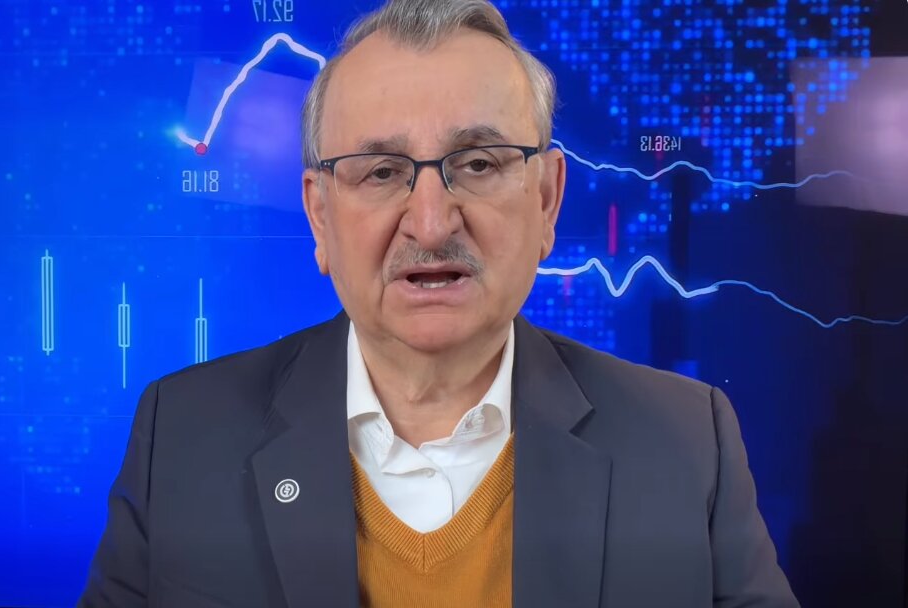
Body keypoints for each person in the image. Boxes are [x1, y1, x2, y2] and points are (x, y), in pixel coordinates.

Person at [79, 0, 799, 606]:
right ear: (320, 216)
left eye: (478, 164)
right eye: (380, 171)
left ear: (547, 200)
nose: (430, 224)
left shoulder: (685, 443)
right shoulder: (181, 437)